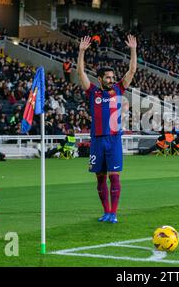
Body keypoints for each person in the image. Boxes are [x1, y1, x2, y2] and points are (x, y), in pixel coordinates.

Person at [77, 34, 137, 224]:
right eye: (108, 77)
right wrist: (81, 52)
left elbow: (132, 70)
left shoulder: (119, 89)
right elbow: (80, 73)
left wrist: (133, 50)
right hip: (97, 140)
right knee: (100, 178)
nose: (112, 80)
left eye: (113, 77)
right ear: (101, 78)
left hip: (113, 140)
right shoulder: (93, 91)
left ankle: (114, 213)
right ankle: (106, 212)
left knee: (115, 177)